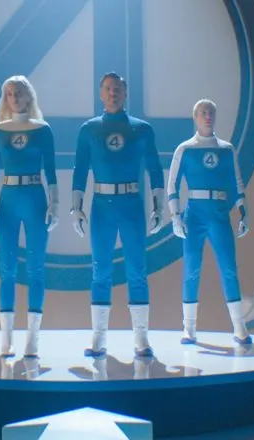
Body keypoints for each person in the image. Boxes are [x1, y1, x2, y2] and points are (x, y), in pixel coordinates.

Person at [71, 72, 165, 358]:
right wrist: (77, 206)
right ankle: (98, 338)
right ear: (101, 93)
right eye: (108, 89)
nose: (113, 93)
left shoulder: (141, 129)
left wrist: (158, 205)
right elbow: (80, 170)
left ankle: (142, 338)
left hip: (131, 204)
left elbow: (155, 168)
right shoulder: (89, 129)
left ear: (125, 93)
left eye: (118, 89)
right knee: (101, 271)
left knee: (137, 270)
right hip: (102, 205)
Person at [0, 75, 58, 358]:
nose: (14, 98)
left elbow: (50, 170)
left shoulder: (42, 130)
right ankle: (6, 340)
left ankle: (32, 340)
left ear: (28, 96)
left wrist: (55, 203)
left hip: (35, 197)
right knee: (8, 270)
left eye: (19, 93)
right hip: (8, 199)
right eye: (10, 94)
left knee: (36, 269)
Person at [166, 98, 252, 346]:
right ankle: (189, 328)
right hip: (194, 214)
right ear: (195, 117)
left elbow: (236, 182)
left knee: (229, 268)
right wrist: (175, 216)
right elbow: (172, 185)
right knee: (191, 269)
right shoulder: (185, 149)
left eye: (211, 112)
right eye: (203, 112)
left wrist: (243, 211)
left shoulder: (227, 149)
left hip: (219, 214)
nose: (207, 116)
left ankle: (239, 326)